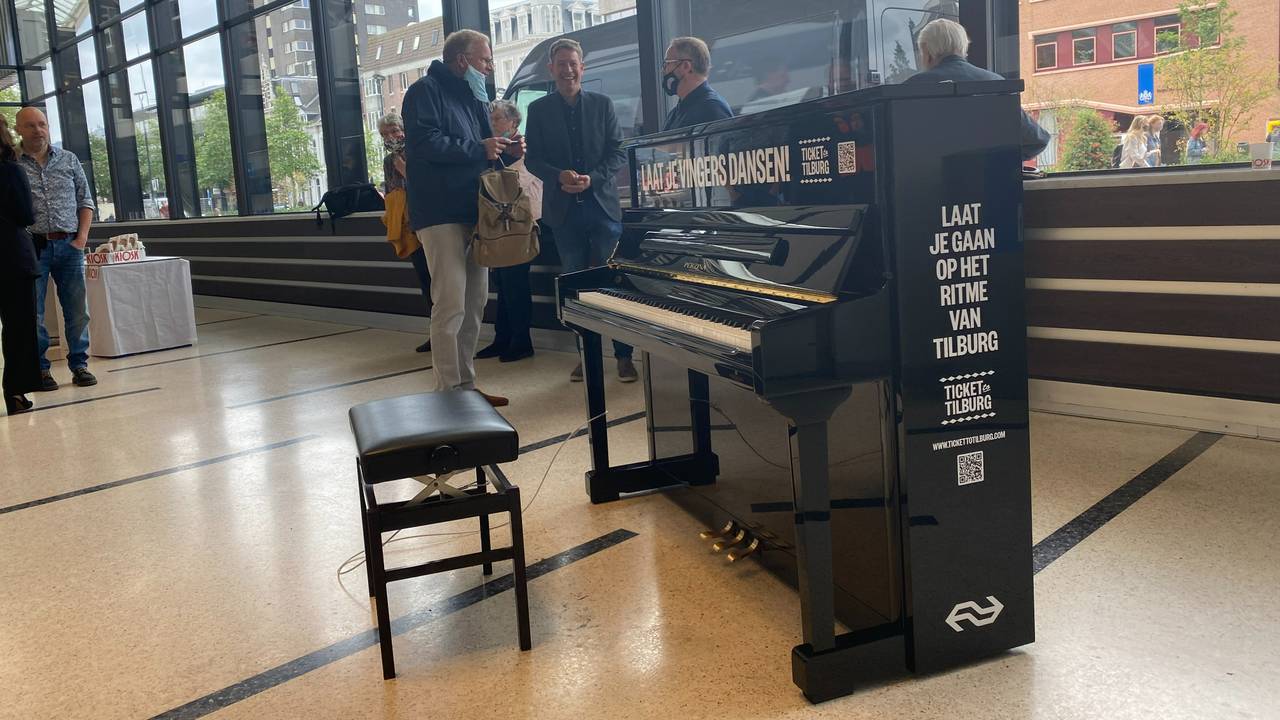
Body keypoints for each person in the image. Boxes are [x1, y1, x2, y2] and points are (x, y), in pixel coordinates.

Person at [402, 29, 522, 407]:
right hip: (439, 213)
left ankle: (466, 386)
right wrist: (478, 147)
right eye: (485, 60)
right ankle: (447, 393)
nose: (488, 68)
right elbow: (424, 144)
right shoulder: (424, 92)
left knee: (474, 304)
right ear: (462, 60)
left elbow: (483, 154)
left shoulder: (473, 98)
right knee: (450, 303)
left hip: (475, 212)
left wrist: (505, 149)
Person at [525, 37, 634, 383]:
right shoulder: (538, 110)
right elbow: (532, 159)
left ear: (582, 68)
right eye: (561, 64)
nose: (568, 70)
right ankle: (586, 357)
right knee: (575, 286)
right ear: (551, 69)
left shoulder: (603, 105)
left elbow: (618, 151)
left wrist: (593, 178)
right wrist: (559, 176)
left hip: (602, 208)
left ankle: (623, 356)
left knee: (612, 283)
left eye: (573, 64)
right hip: (564, 213)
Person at [15, 106, 97, 391]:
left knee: (76, 310)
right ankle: (41, 369)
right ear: (18, 130)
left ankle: (80, 365)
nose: (38, 130)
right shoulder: (12, 163)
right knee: (33, 312)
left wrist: (81, 239)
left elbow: (85, 202)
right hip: (32, 248)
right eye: (30, 126)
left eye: (42, 124)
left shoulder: (69, 160)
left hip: (69, 244)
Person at [906, 19, 1050, 162]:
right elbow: (1037, 140)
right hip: (990, 183)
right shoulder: (996, 84)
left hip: (924, 183)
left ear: (928, 52)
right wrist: (999, 162)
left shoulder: (909, 90)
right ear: (963, 47)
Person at [476, 100, 542, 363]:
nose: (492, 124)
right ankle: (502, 337)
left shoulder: (521, 149)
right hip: (500, 223)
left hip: (520, 224)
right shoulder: (496, 150)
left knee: (515, 282)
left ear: (513, 122)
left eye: (497, 119)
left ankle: (521, 340)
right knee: (502, 282)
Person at [377, 112, 431, 353]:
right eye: (385, 134)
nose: (391, 137)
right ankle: (434, 331)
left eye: (395, 131)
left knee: (441, 279)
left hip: (429, 221)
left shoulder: (419, 152)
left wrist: (406, 169)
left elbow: (428, 186)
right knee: (425, 280)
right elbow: (392, 193)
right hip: (408, 227)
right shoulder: (389, 161)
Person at [0, 116, 40, 415]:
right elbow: (26, 215)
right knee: (18, 328)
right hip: (12, 257)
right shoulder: (12, 170)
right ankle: (15, 393)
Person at [660, 36, 734, 131]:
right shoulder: (675, 113)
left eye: (667, 63)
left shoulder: (712, 109)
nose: (663, 70)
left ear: (686, 66)